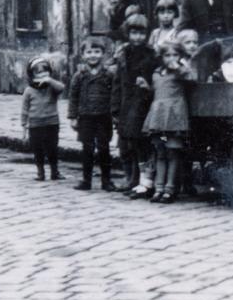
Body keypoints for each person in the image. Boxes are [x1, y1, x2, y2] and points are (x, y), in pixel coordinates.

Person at [111, 13, 159, 198]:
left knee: (141, 144)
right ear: (128, 33)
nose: (137, 37)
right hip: (126, 105)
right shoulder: (123, 55)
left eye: (141, 33)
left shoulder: (151, 55)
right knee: (127, 144)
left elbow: (156, 81)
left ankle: (143, 181)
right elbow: (117, 83)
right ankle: (131, 177)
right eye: (133, 33)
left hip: (142, 106)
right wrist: (114, 108)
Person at [142, 39, 193, 204]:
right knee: (161, 150)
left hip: (173, 122)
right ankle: (158, 188)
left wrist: (179, 67)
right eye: (167, 55)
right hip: (159, 123)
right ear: (161, 57)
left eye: (175, 54)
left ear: (180, 56)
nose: (171, 58)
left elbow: (192, 78)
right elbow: (155, 92)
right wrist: (145, 87)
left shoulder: (180, 72)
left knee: (172, 151)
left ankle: (170, 189)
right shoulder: (156, 73)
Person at [67, 39, 116, 191]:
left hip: (104, 116)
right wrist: (73, 117)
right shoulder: (79, 75)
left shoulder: (108, 74)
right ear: (82, 55)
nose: (93, 55)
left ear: (103, 54)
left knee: (104, 147)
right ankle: (86, 180)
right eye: (89, 52)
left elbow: (114, 94)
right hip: (86, 117)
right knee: (87, 148)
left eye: (97, 52)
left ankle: (106, 181)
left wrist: (114, 114)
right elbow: (73, 97)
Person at [20, 55, 65, 181]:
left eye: (45, 71)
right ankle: (40, 172)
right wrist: (24, 126)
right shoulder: (29, 91)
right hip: (35, 125)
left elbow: (61, 88)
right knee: (38, 149)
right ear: (31, 75)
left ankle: (55, 172)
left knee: (52, 148)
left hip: (51, 123)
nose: (42, 75)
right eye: (38, 72)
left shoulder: (52, 87)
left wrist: (50, 81)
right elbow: (24, 110)